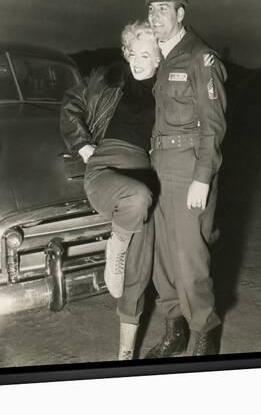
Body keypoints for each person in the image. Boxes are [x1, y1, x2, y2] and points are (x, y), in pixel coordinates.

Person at [60, 21, 160, 360]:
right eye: (133, 52)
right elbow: (71, 102)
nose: (138, 60)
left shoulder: (168, 89)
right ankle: (114, 247)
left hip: (145, 173)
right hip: (104, 168)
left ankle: (125, 355)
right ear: (126, 52)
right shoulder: (108, 77)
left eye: (147, 54)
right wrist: (83, 146)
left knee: (139, 268)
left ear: (160, 57)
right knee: (138, 198)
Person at [145, 0, 227, 356]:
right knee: (162, 255)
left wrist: (203, 178)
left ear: (180, 12)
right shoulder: (161, 57)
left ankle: (203, 337)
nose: (155, 15)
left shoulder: (200, 57)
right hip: (159, 166)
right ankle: (174, 328)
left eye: (162, 8)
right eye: (151, 9)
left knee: (190, 255)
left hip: (188, 166)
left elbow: (213, 127)